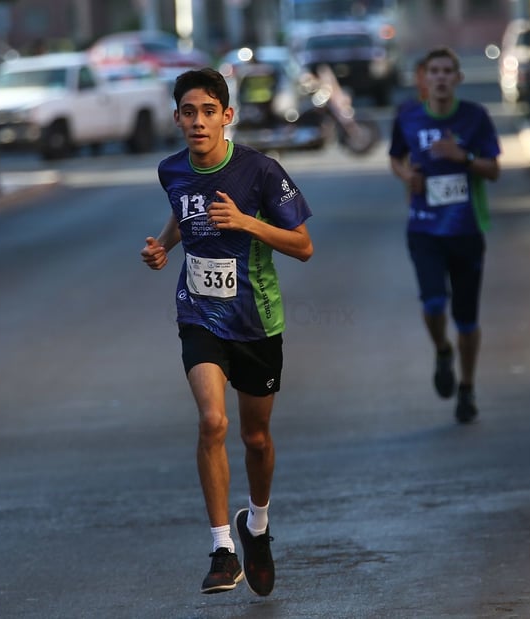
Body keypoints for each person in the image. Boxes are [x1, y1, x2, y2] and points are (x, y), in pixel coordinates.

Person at [141, 68, 313, 596]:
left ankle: (257, 527)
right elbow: (183, 212)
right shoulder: (172, 171)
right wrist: (166, 246)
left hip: (256, 319)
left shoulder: (260, 171)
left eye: (208, 112)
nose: (198, 122)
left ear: (227, 116)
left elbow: (303, 244)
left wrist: (247, 223)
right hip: (199, 315)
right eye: (188, 112)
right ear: (176, 118)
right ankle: (222, 548)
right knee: (212, 422)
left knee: (255, 439)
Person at [388, 47, 501, 424]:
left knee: (467, 321)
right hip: (424, 229)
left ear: (457, 78)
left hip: (467, 230)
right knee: (434, 304)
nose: (439, 77)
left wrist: (462, 157)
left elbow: (493, 170)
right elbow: (395, 158)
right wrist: (408, 177)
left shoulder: (475, 118)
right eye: (433, 71)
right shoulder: (408, 116)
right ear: (424, 76)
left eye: (447, 71)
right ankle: (441, 350)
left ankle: (467, 388)